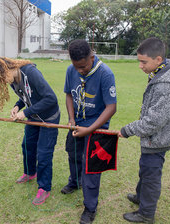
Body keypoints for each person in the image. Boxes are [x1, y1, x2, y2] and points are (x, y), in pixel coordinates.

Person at [118, 37, 170, 223]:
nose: (140, 66)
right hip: (155, 137)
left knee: (151, 174)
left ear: (158, 59)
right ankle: (141, 196)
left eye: (143, 62)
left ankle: (146, 214)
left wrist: (127, 130)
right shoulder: (161, 72)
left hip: (158, 139)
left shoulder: (165, 86)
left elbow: (154, 122)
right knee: (145, 169)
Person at [0, 57, 60, 205]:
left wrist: (25, 113)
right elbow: (26, 96)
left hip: (49, 118)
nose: (4, 81)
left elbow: (51, 98)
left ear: (8, 69)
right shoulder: (13, 79)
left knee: (43, 153)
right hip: (33, 116)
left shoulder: (31, 73)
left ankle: (44, 187)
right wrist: (17, 106)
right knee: (27, 146)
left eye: (2, 77)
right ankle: (30, 173)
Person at [62, 39, 117, 224]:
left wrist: (89, 130)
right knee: (73, 154)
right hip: (77, 123)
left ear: (92, 57)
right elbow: (69, 94)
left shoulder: (105, 73)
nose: (80, 71)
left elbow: (111, 108)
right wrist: (71, 119)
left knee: (91, 165)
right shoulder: (72, 70)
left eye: (83, 66)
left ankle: (90, 207)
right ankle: (75, 182)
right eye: (76, 66)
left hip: (97, 125)